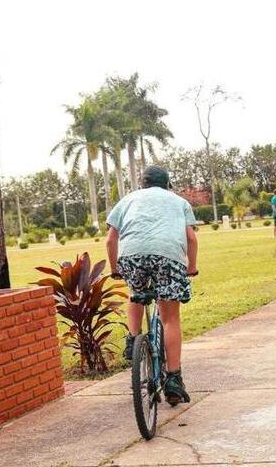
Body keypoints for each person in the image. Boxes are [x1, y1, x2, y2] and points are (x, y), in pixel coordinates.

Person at [106, 165, 198, 405]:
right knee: (170, 319)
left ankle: (132, 339)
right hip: (168, 258)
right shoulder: (178, 201)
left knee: (136, 293)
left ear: (142, 184)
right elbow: (191, 238)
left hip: (131, 256)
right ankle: (174, 379)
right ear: (167, 184)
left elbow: (110, 239)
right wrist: (191, 268)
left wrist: (115, 269)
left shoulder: (128, 200)